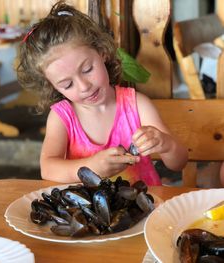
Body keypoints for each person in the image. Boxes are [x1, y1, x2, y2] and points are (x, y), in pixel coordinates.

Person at [16, 1, 188, 185]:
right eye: (67, 84)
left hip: (148, 208)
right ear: (52, 86)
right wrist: (91, 166)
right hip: (89, 212)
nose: (84, 86)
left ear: (102, 53)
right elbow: (48, 169)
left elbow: (178, 163)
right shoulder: (62, 117)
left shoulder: (137, 105)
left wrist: (165, 144)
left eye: (88, 69)